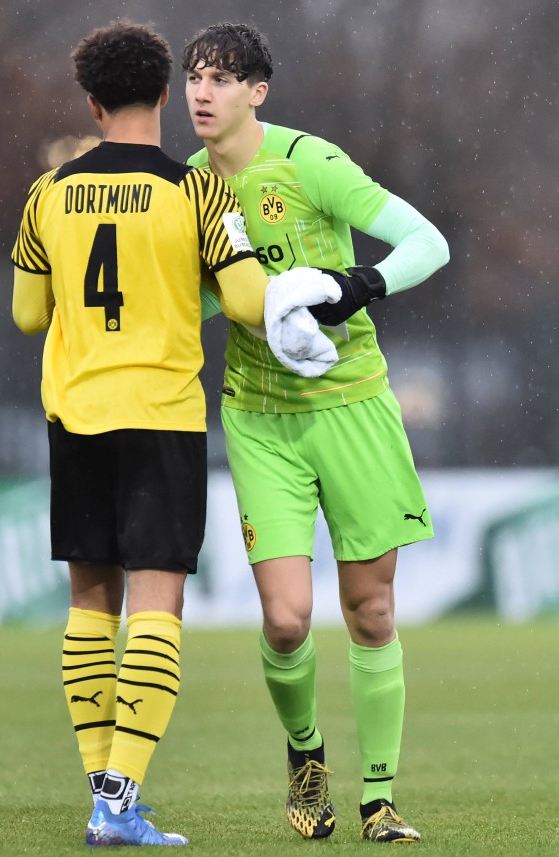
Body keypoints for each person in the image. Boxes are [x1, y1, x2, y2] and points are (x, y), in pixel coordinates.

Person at [10, 20, 328, 847]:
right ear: (162, 94)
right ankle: (118, 805)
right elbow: (253, 301)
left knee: (90, 602)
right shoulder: (198, 193)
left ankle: (103, 797)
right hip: (160, 418)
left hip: (76, 413)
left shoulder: (48, 192)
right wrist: (313, 289)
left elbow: (26, 314)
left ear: (91, 100)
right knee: (158, 602)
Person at [183, 22, 450, 845]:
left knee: (370, 610)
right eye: (194, 76)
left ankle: (378, 800)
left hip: (356, 408)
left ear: (258, 92)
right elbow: (192, 303)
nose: (203, 92)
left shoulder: (309, 163)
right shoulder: (186, 188)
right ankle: (306, 757)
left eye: (223, 79)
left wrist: (355, 283)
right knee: (288, 620)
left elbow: (428, 244)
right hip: (260, 419)